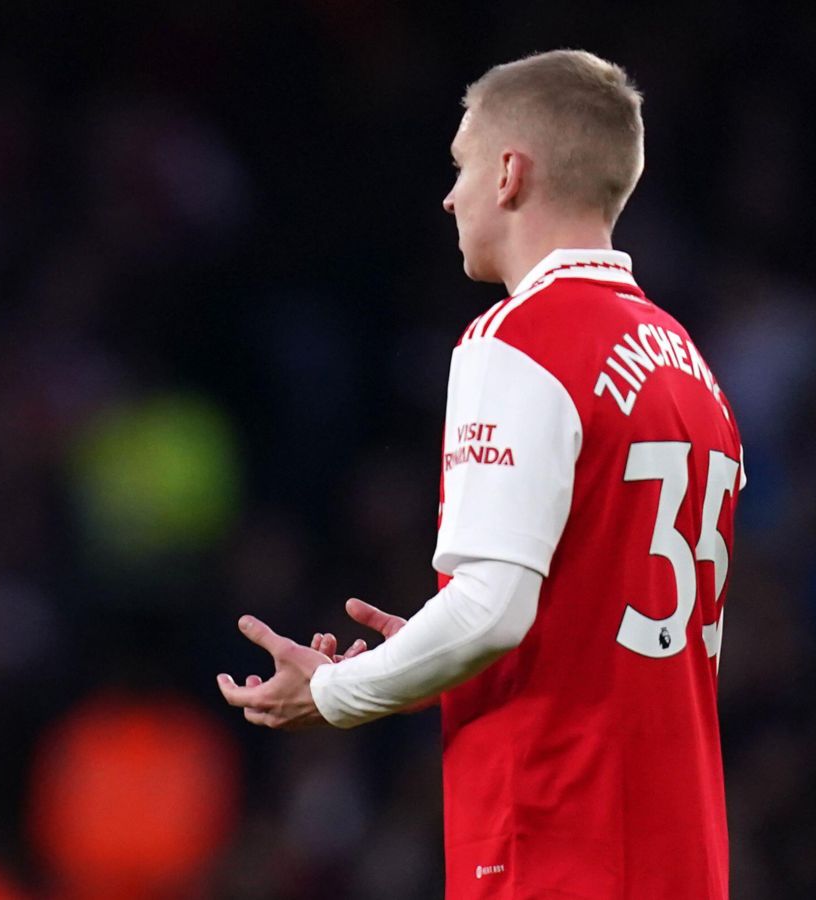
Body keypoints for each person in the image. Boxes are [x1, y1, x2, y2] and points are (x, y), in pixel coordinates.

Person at [217, 49, 742, 898]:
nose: (449, 195)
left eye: (460, 164)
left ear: (509, 173)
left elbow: (494, 608)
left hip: (555, 840)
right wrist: (441, 653)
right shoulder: (693, 371)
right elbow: (589, 615)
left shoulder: (519, 339)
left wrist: (341, 691)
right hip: (680, 852)